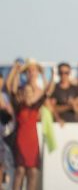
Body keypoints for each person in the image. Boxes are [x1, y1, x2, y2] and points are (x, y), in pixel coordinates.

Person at [6, 60, 54, 190]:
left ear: (33, 94)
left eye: (30, 92)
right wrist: (15, 72)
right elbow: (10, 88)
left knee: (32, 172)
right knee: (20, 171)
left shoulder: (35, 107)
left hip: (33, 142)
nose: (28, 94)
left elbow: (47, 92)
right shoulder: (18, 106)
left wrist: (48, 76)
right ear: (22, 94)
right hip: (20, 141)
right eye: (25, 92)